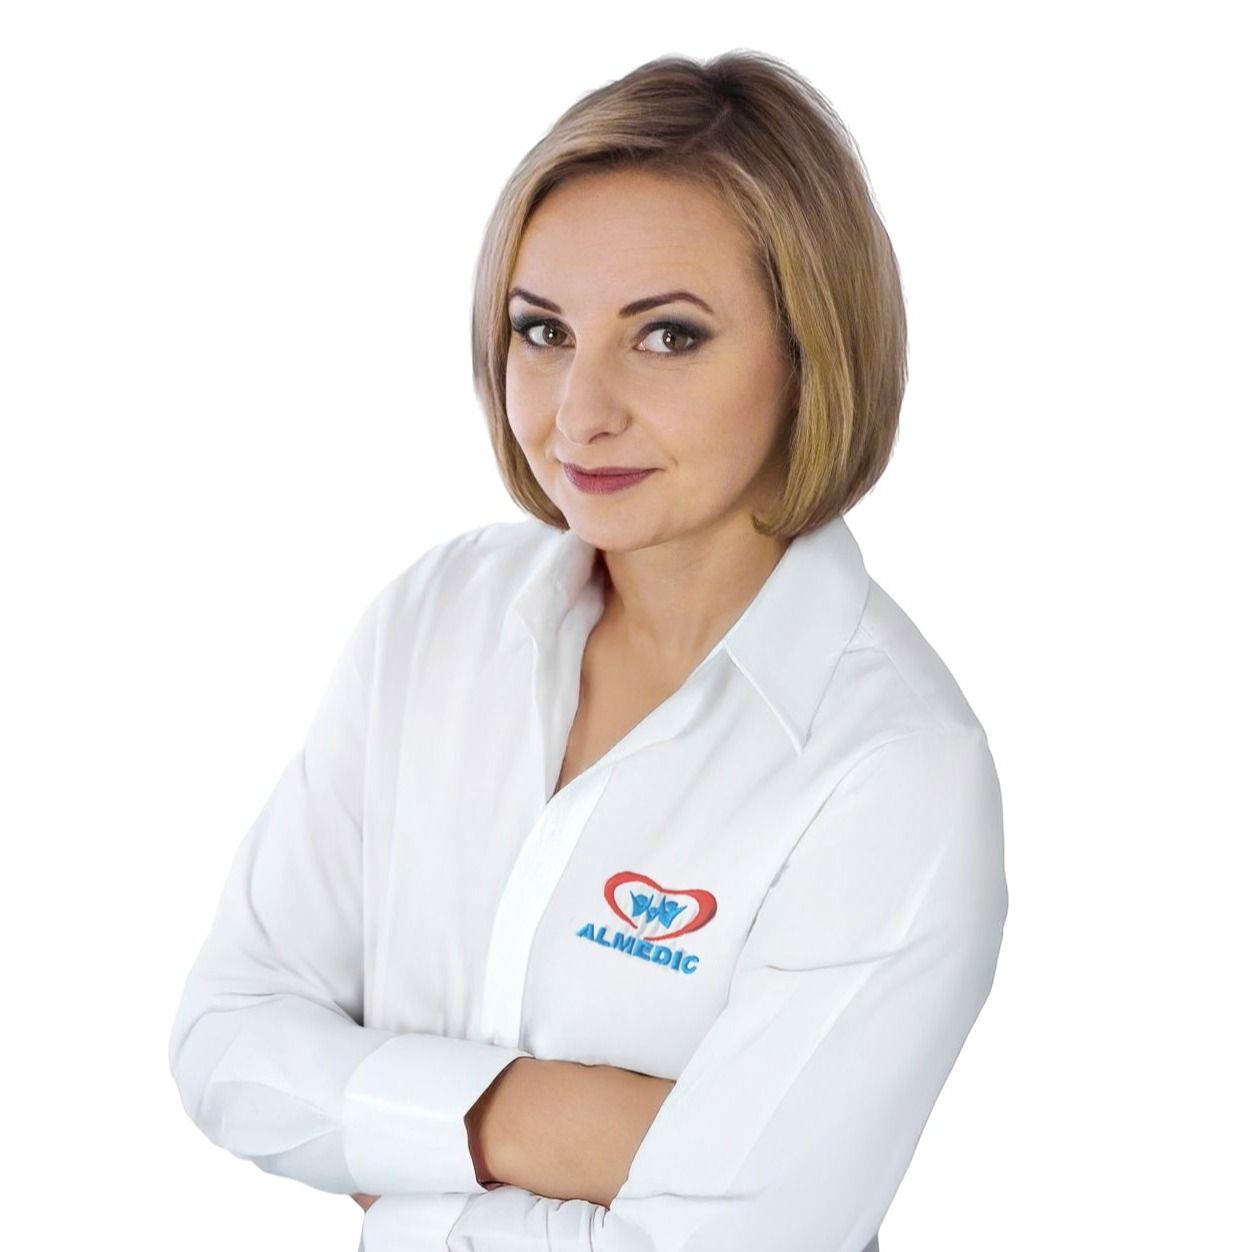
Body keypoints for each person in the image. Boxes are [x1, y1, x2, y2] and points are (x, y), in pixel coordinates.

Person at [167, 50, 1008, 1252]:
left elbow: (732, 1242)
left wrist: (393, 1167)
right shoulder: (434, 622)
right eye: (543, 330)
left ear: (809, 351)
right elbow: (227, 1037)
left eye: (666, 335)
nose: (579, 411)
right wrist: (543, 1119)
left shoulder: (896, 767)